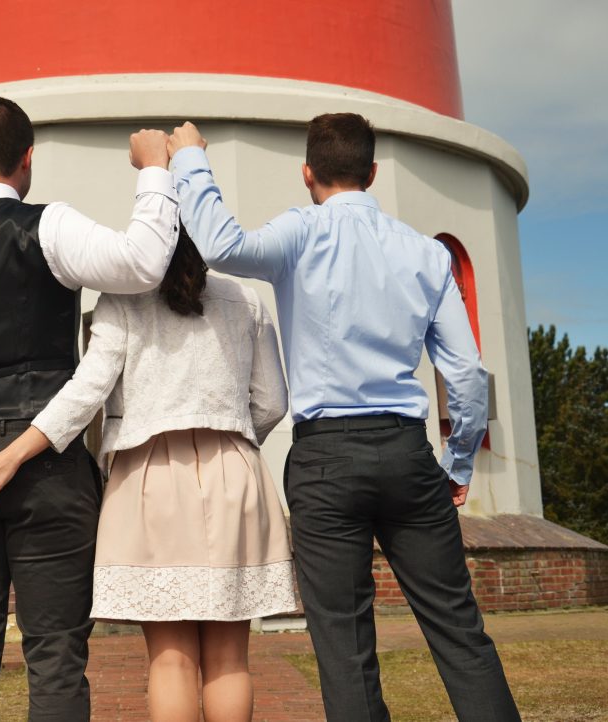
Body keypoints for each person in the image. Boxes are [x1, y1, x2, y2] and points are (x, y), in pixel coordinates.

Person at [167, 114, 521, 721]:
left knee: (345, 645)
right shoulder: (427, 254)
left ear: (307, 173)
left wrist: (191, 159)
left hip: (325, 457)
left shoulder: (299, 233)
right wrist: (458, 462)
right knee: (459, 630)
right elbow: (464, 374)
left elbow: (222, 245)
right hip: (407, 453)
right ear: (373, 172)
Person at [0, 97, 179, 721]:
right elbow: (143, 261)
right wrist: (156, 172)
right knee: (56, 655)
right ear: (28, 159)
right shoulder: (49, 226)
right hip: (46, 460)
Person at [0, 226, 298, 722]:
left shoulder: (122, 300)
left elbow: (86, 393)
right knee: (231, 657)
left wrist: (12, 455)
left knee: (170, 659)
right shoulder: (246, 301)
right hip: (234, 469)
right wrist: (229, 437)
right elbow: (271, 402)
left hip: (151, 474)